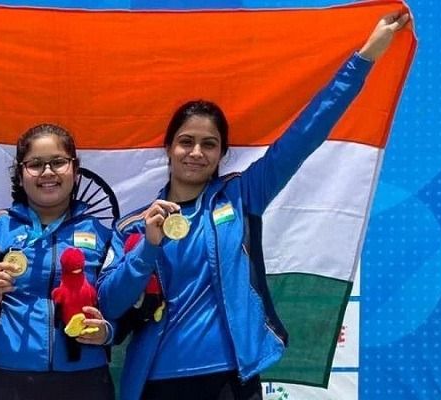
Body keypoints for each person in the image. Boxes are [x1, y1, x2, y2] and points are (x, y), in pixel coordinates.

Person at [96, 12, 410, 400]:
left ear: (222, 154)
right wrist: (148, 246)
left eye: (208, 144)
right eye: (186, 141)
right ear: (168, 148)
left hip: (232, 378)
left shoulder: (243, 195)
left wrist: (364, 58)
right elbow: (109, 303)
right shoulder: (133, 227)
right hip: (156, 382)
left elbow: (307, 132)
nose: (196, 152)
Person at [0, 124, 115, 399]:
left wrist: (108, 332)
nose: (47, 172)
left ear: (75, 170)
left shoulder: (102, 235)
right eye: (35, 164)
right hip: (7, 379)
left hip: (85, 380)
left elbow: (119, 309)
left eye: (58, 162)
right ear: (20, 175)